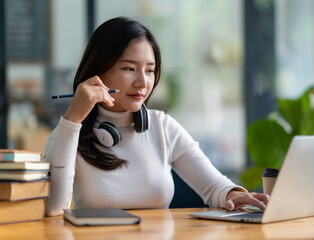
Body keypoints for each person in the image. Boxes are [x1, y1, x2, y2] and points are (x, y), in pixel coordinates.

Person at [44, 17, 269, 216]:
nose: (143, 83)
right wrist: (72, 120)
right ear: (98, 72)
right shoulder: (68, 134)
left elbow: (214, 187)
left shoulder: (162, 127)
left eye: (150, 70)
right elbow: (54, 207)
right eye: (129, 69)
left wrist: (234, 195)